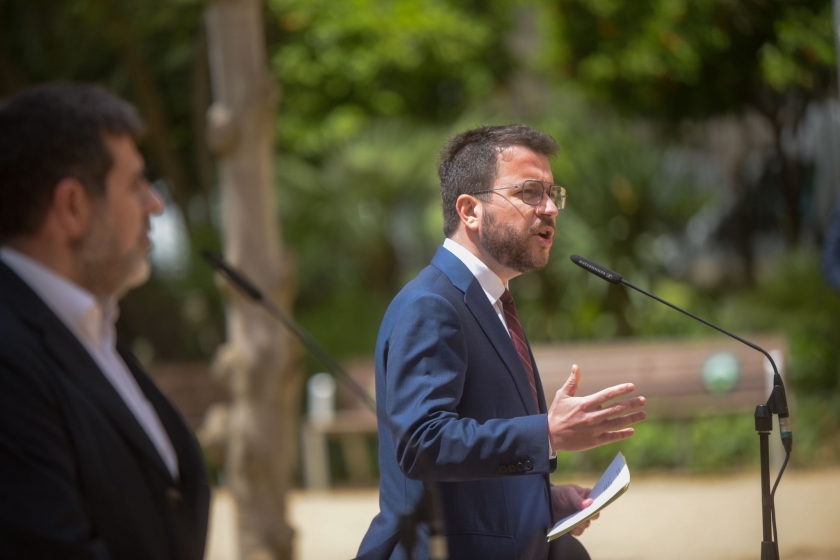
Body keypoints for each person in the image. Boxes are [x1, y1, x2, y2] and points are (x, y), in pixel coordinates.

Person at [357, 124, 647, 560]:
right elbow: (424, 444)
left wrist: (542, 504)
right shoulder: (432, 304)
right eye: (530, 192)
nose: (550, 208)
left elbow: (472, 465)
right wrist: (546, 433)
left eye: (553, 194)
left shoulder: (491, 300)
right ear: (470, 210)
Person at [0, 84, 209, 559]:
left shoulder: (90, 330)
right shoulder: (8, 350)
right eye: (136, 184)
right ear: (73, 206)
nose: (154, 205)